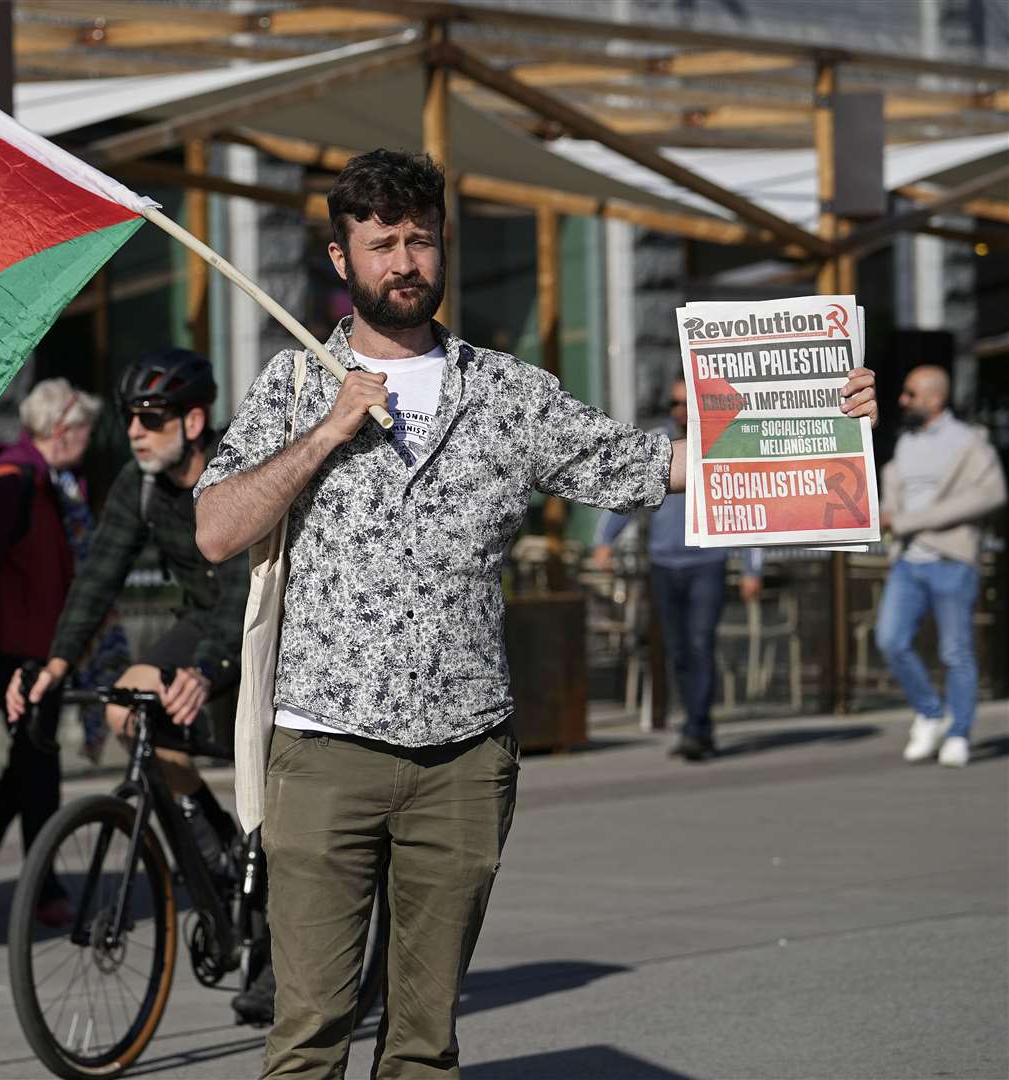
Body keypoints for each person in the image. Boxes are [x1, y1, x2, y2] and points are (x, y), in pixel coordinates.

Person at [192, 148, 879, 1078]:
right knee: (308, 1033)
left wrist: (819, 421)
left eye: (422, 240)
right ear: (340, 257)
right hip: (324, 747)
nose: (406, 261)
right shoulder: (296, 384)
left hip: (463, 758)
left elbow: (642, 464)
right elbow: (216, 530)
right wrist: (326, 433)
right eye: (382, 243)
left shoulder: (507, 394)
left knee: (425, 1043)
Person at [4, 349, 271, 1023]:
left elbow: (245, 587)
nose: (135, 432)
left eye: (151, 419)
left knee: (274, 784)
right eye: (129, 419)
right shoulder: (141, 484)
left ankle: (273, 938)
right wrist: (57, 666)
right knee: (129, 708)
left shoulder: (240, 472)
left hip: (271, 629)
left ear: (194, 419)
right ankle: (213, 846)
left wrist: (207, 669)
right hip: (201, 623)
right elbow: (96, 580)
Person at [0, 378, 101, 928]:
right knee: (39, 771)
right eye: (85, 427)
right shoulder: (11, 483)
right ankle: (44, 888)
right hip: (16, 655)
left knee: (28, 766)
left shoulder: (51, 480)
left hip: (43, 649)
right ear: (63, 428)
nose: (89, 436)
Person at [591, 376, 763, 762]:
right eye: (674, 403)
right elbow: (627, 493)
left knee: (701, 644)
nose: (680, 411)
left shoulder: (724, 441)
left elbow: (747, 505)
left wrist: (752, 567)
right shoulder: (657, 442)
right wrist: (605, 541)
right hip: (664, 565)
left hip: (707, 564)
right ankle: (692, 723)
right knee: (679, 650)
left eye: (687, 404)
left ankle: (698, 729)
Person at [878, 365, 1005, 768]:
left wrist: (908, 522)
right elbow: (893, 498)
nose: (902, 400)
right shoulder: (906, 442)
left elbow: (990, 494)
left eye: (910, 393)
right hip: (908, 561)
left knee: (956, 651)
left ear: (936, 398)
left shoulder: (969, 443)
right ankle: (931, 713)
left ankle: (958, 733)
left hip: (952, 561)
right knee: (891, 640)